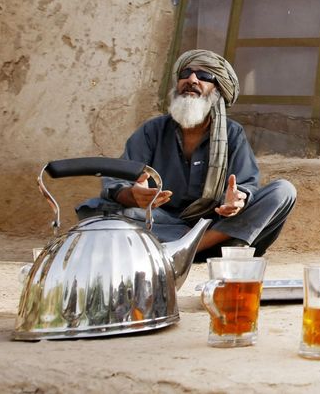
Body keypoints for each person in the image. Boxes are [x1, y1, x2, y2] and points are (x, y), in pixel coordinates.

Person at [78, 49, 296, 259]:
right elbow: (117, 182)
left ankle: (183, 249)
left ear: (217, 90)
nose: (191, 79)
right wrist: (132, 195)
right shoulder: (152, 130)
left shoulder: (232, 133)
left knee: (283, 191)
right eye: (185, 74)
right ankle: (184, 246)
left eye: (203, 75)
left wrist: (238, 201)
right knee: (100, 211)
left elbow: (245, 186)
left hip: (215, 228)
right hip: (161, 223)